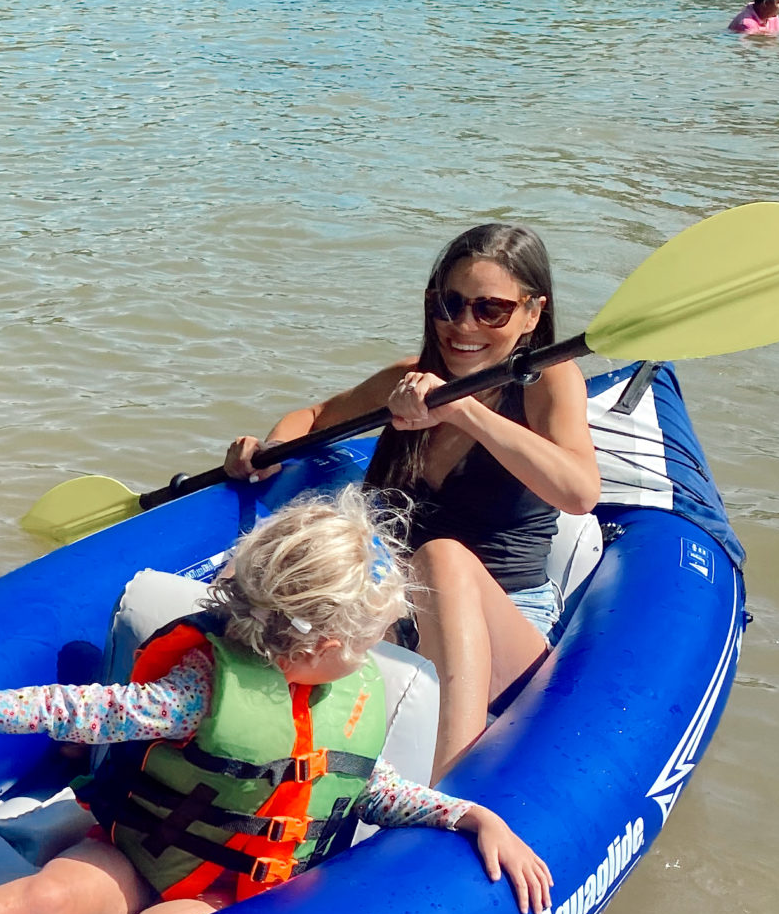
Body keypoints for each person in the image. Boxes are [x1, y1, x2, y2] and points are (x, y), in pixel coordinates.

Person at [0, 491, 551, 914]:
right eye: (367, 641)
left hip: (224, 894)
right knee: (43, 899)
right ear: (321, 647)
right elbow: (64, 708)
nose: (373, 657)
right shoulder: (198, 689)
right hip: (145, 850)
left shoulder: (345, 699)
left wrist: (473, 816)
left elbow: (376, 790)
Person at [224, 223, 600, 779]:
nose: (462, 325)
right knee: (289, 562)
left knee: (442, 557)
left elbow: (580, 492)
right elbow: (314, 418)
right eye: (448, 304)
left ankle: (449, 785)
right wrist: (273, 448)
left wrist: (463, 409)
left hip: (506, 617)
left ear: (532, 313)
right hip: (390, 606)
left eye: (490, 310)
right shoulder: (408, 380)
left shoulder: (549, 380)